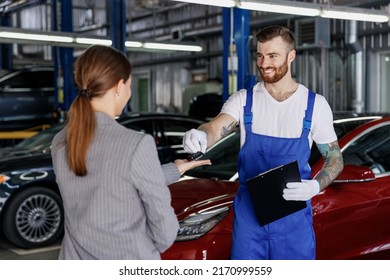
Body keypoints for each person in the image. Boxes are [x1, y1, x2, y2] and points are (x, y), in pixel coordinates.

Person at [183, 25, 343, 260]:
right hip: (250, 219)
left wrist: (316, 186)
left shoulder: (315, 105)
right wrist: (200, 135)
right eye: (259, 55)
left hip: (293, 219)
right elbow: (216, 127)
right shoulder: (244, 100)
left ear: (291, 56)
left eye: (272, 56)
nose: (264, 63)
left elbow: (335, 158)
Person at [51, 45, 210, 260]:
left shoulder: (61, 141)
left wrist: (175, 169)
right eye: (130, 84)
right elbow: (165, 231)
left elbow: (109, 182)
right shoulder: (136, 143)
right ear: (118, 86)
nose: (129, 92)